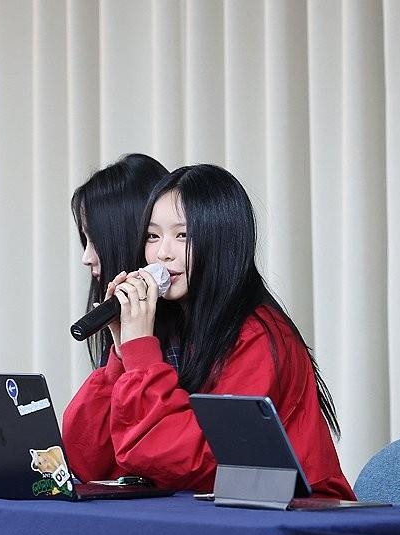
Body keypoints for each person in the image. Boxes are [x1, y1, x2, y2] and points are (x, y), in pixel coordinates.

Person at [62, 164, 354, 497]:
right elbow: (86, 460)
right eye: (152, 236)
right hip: (214, 514)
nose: (162, 252)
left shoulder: (258, 334)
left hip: (300, 519)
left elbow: (190, 461)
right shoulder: (172, 328)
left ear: (221, 240)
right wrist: (120, 354)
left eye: (182, 235)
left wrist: (141, 353)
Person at [71, 153, 168, 367]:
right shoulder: (124, 327)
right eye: (85, 240)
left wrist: (139, 348)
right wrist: (119, 356)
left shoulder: (226, 336)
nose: (86, 258)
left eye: (96, 241)